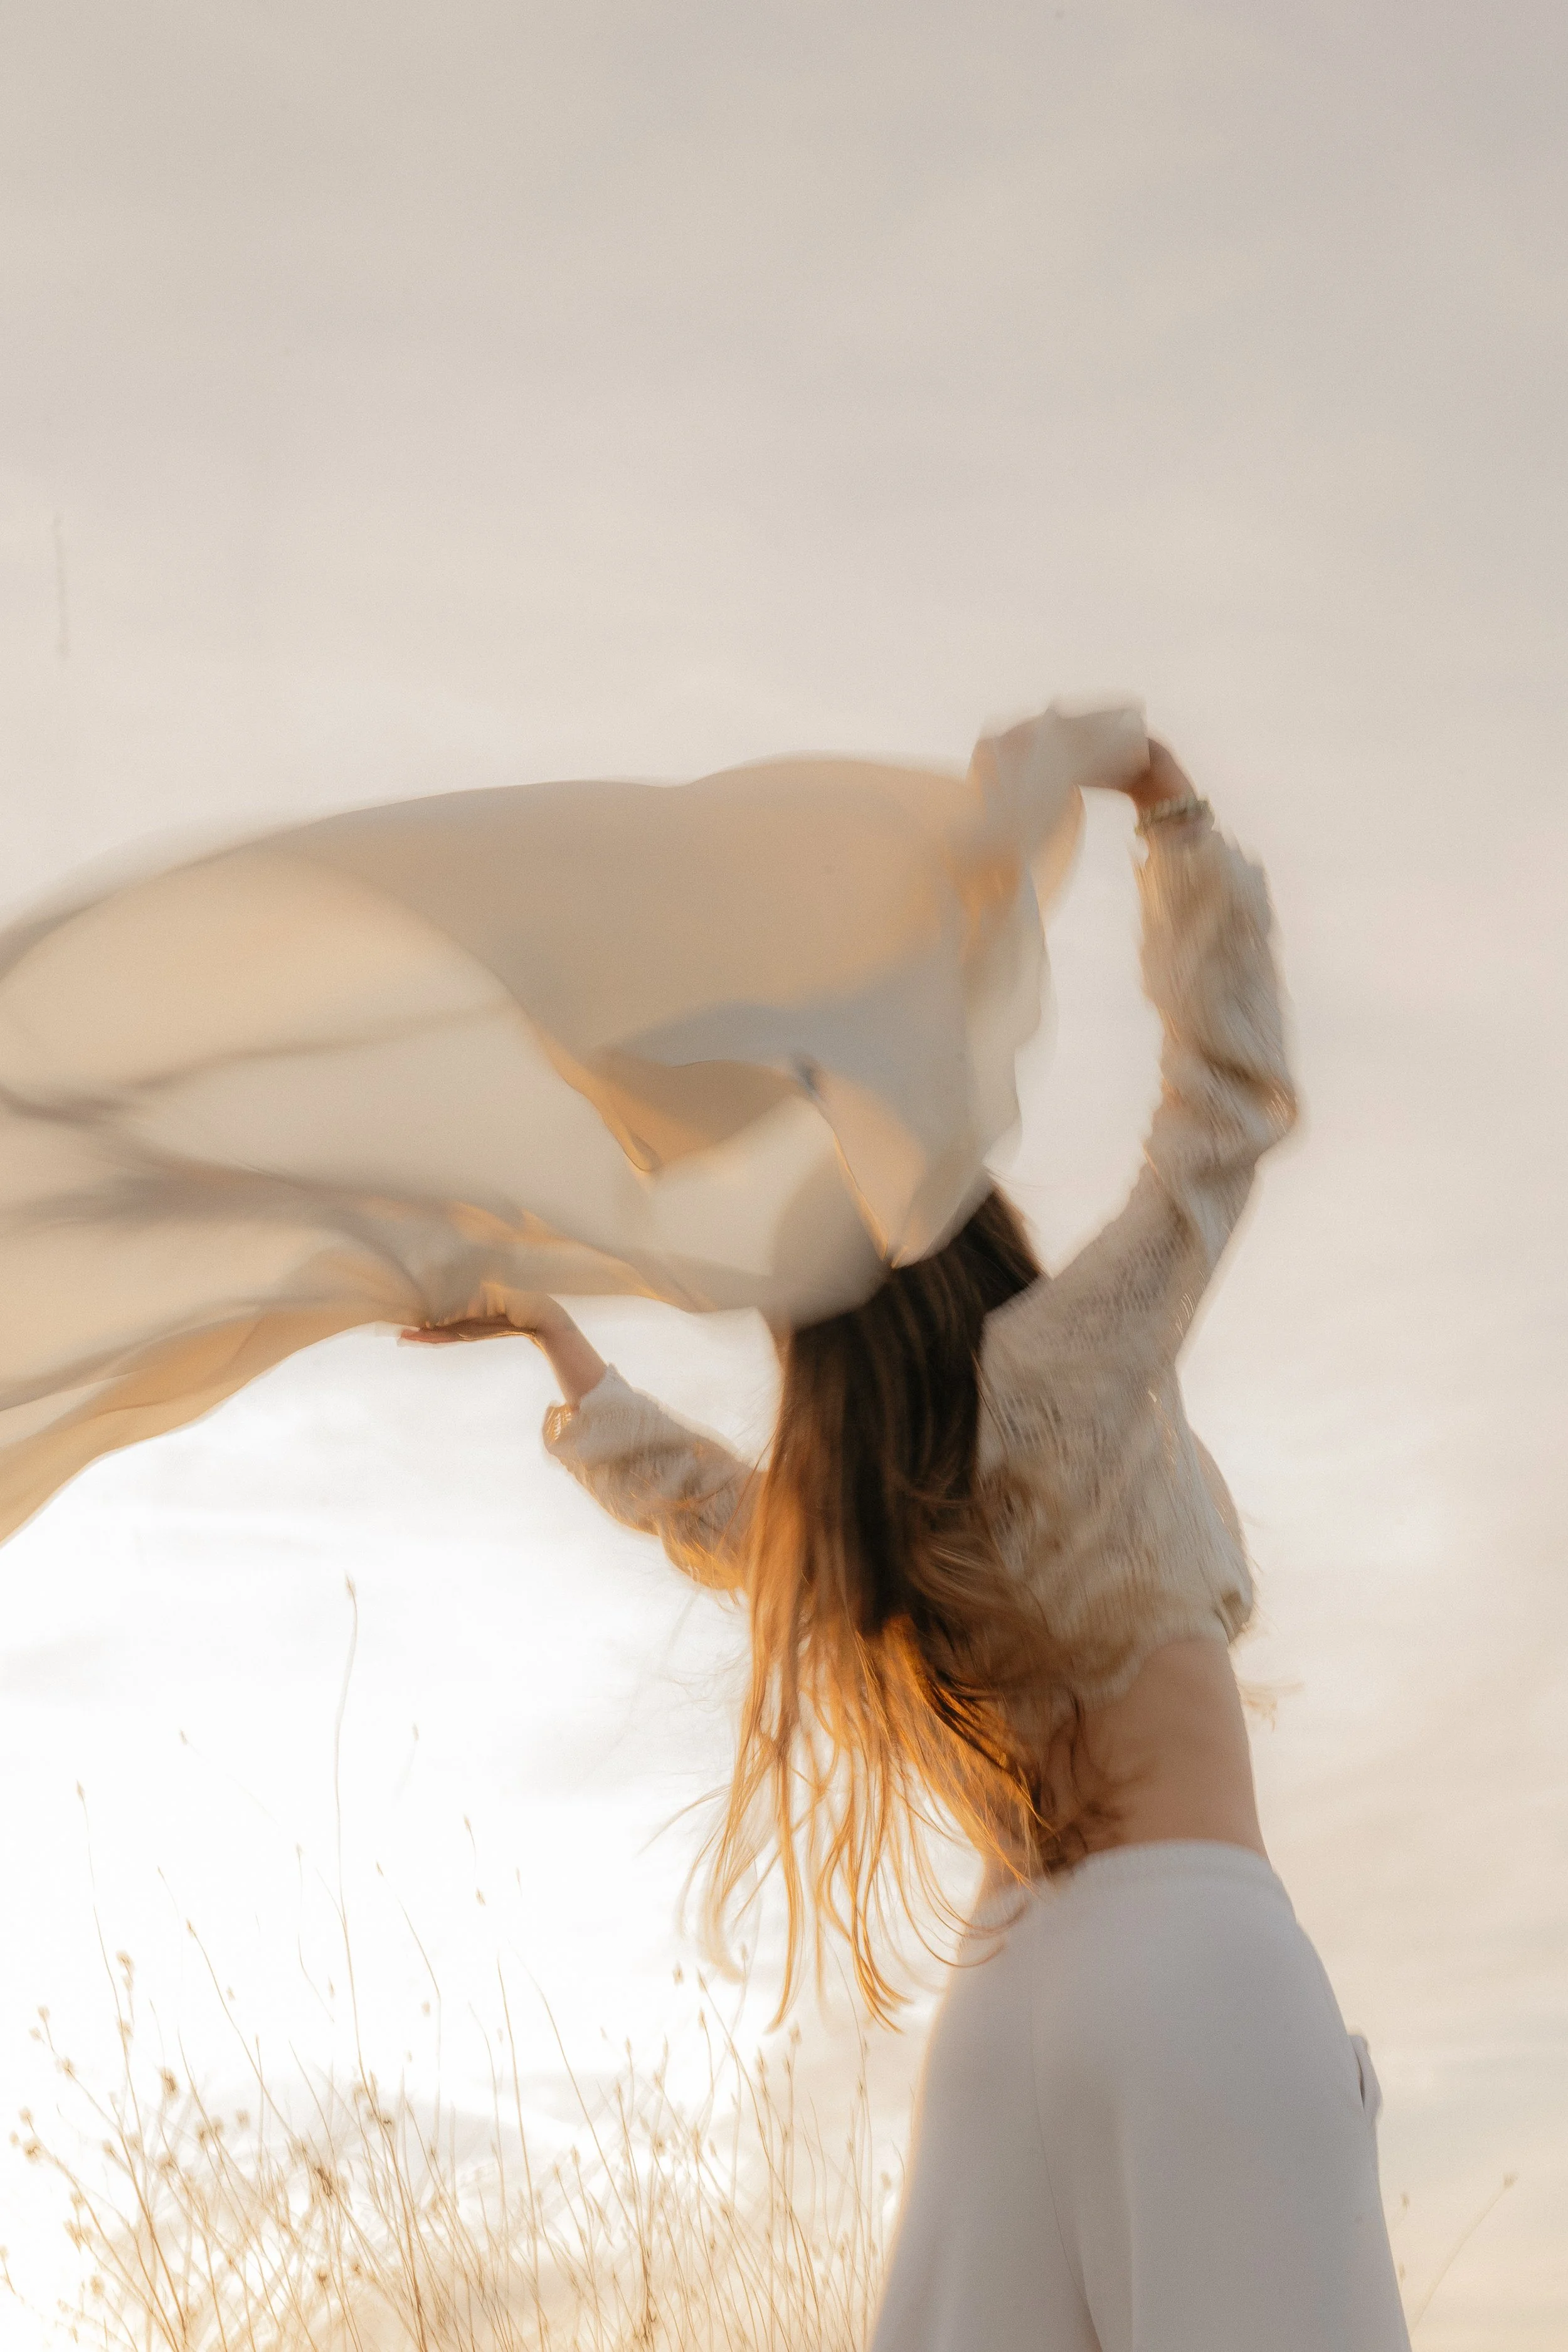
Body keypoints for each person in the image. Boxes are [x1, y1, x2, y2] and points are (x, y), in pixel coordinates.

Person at [402, 741, 1413, 2351]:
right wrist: (1176, 823)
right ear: (979, 1236)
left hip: (1001, 1999)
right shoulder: (1067, 1364)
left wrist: (560, 1354)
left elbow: (714, 1517)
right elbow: (1220, 1114)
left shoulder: (858, 1512)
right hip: (1186, 1958)